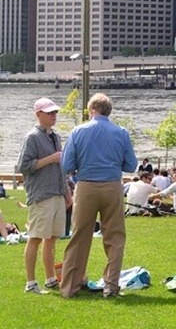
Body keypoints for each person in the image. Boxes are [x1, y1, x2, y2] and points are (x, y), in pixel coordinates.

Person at [60, 93, 137, 299]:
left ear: (91, 109)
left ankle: (70, 287)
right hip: (112, 186)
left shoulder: (78, 131)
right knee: (115, 238)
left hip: (86, 186)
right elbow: (131, 165)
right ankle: (111, 286)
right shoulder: (121, 132)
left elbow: (66, 165)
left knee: (79, 237)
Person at [18, 97, 72, 294]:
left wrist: (66, 192)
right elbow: (24, 166)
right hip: (41, 195)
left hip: (56, 192)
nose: (54, 116)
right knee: (36, 237)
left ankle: (51, 279)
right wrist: (50, 159)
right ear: (38, 114)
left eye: (55, 112)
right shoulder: (31, 137)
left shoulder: (55, 136)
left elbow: (60, 168)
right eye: (50, 113)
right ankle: (31, 283)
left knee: (52, 238)